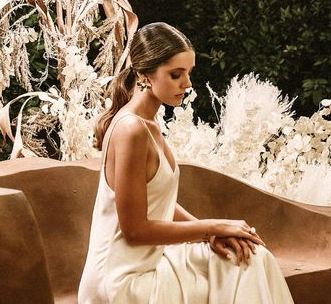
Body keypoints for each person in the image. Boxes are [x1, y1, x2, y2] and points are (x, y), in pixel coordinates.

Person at [78, 22, 294, 304]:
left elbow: (158, 201)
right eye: (175, 75)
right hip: (122, 281)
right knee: (241, 267)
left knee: (251, 256)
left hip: (147, 262)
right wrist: (212, 228)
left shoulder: (148, 123)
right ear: (145, 74)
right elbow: (134, 231)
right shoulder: (131, 129)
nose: (187, 84)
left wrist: (209, 235)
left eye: (188, 73)